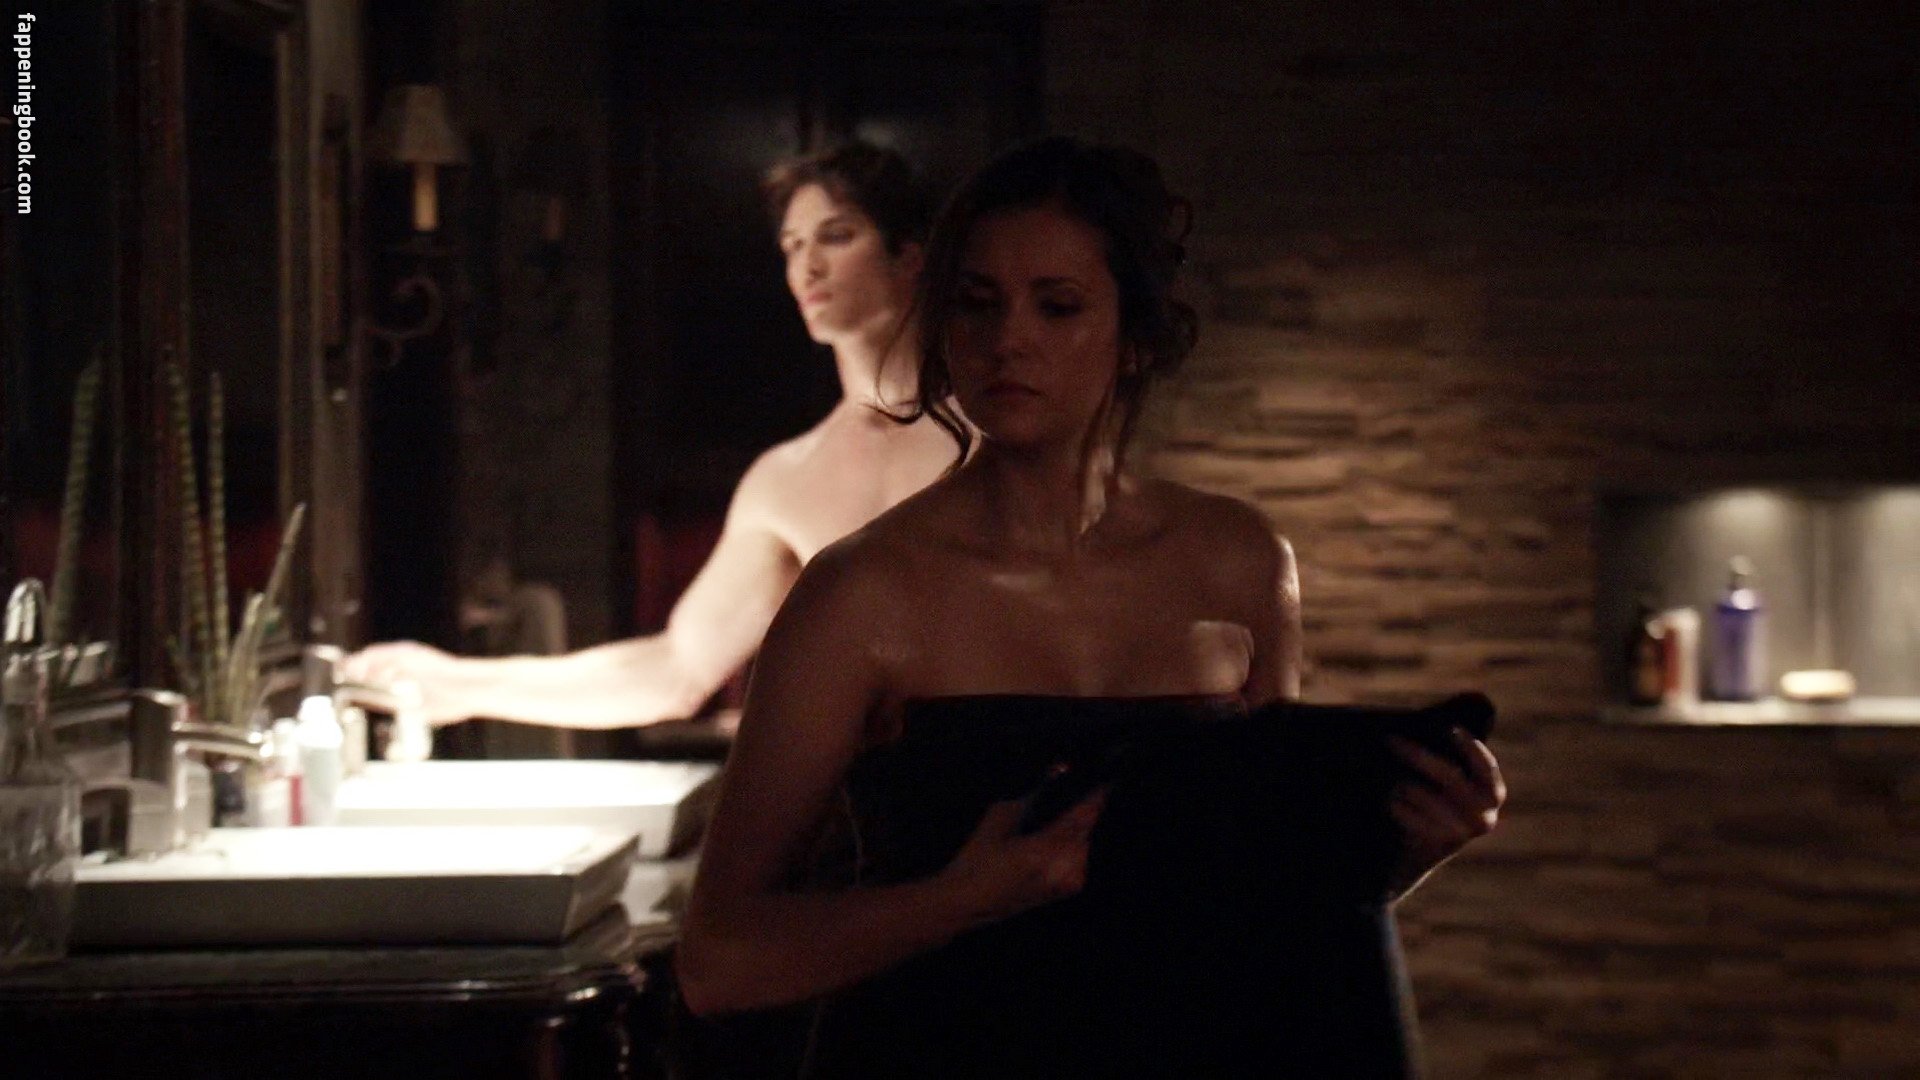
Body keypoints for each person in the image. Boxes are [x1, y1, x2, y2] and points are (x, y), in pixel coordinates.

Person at [676, 136, 1506, 1077]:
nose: (1007, 340)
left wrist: (1402, 854)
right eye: (977, 303)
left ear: (1136, 335)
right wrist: (959, 897)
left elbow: (1265, 899)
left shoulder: (1236, 562)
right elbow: (716, 963)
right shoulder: (863, 594)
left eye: (1057, 305)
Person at [345, 143, 961, 729]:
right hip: (871, 792)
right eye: (792, 245)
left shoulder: (994, 435)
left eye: (837, 236)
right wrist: (455, 683)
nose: (808, 266)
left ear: (910, 257)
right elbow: (676, 670)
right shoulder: (788, 480)